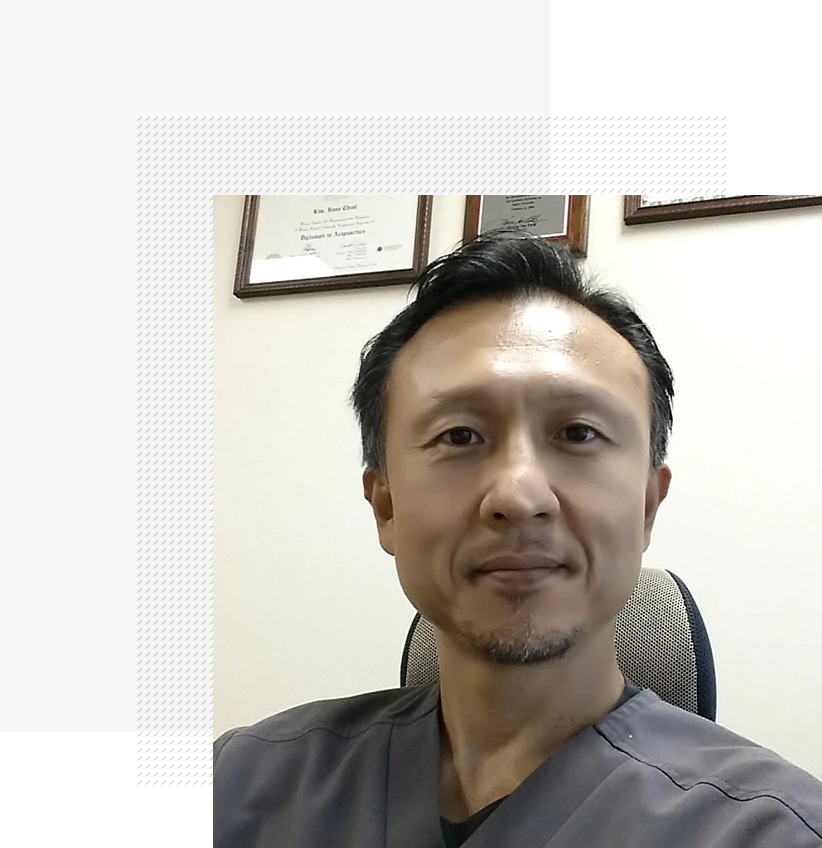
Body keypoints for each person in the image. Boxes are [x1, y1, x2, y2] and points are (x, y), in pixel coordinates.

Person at [213, 229, 822, 847]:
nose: (519, 497)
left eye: (579, 433)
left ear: (646, 505)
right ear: (386, 504)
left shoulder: (776, 833)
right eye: (459, 436)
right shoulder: (234, 785)